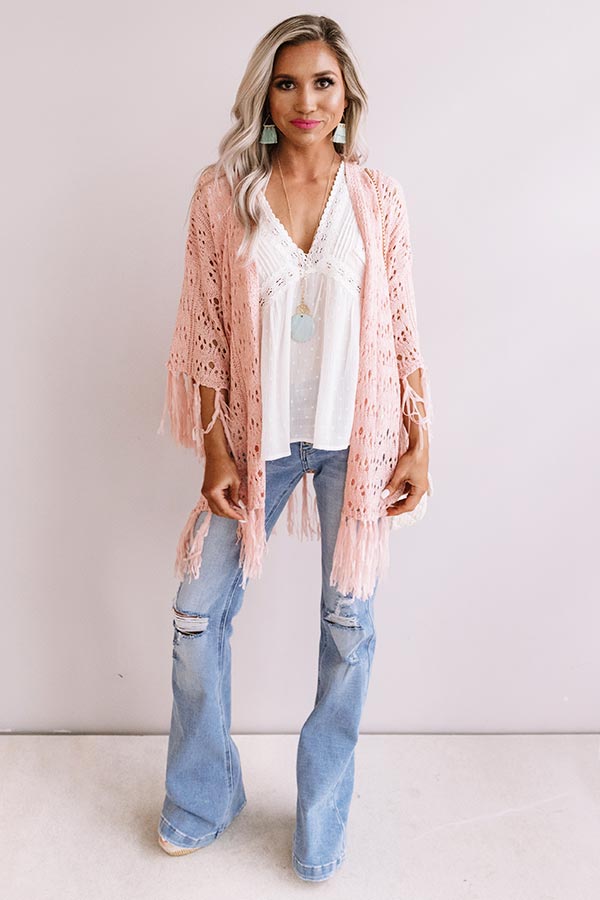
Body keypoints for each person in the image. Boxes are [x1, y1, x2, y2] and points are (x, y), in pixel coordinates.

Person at [155, 14, 433, 883]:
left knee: (349, 629)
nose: (306, 100)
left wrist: (419, 440)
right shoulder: (222, 195)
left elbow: (402, 327)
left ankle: (321, 817)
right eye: (287, 83)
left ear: (346, 95)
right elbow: (204, 329)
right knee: (197, 615)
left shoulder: (377, 197)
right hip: (256, 440)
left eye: (322, 82)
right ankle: (206, 795)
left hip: (359, 438)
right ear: (265, 97)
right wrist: (215, 450)